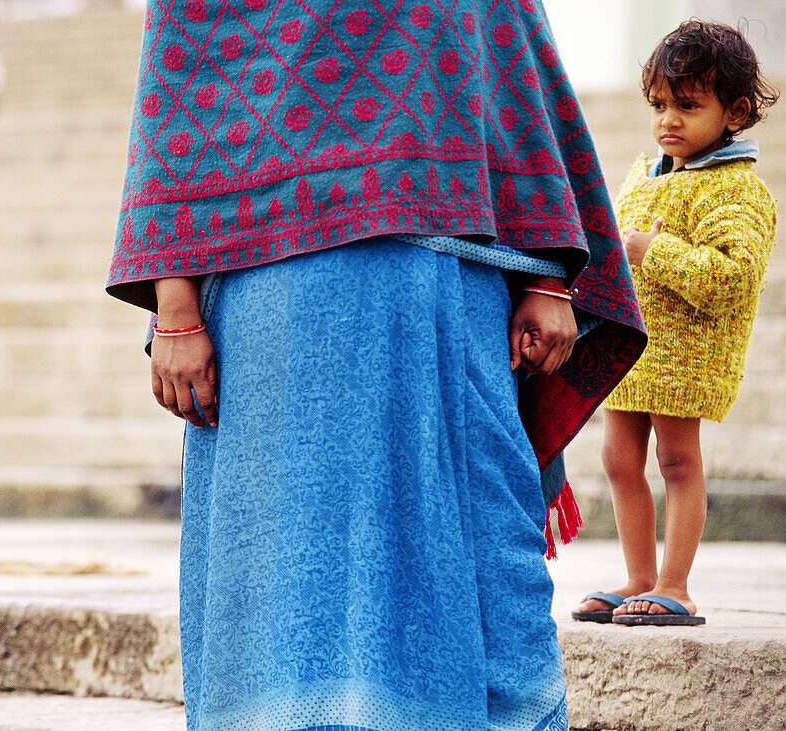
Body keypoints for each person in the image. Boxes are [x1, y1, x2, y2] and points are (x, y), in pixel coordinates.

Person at [108, 3, 646, 729]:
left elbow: (508, 50)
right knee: (290, 587)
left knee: (487, 581)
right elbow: (180, 75)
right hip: (275, 309)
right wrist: (173, 301)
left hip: (445, 289)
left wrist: (550, 276)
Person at [573, 20, 778, 627]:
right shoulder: (649, 172)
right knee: (617, 460)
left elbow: (731, 277)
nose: (669, 119)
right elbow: (619, 248)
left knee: (678, 462)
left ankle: (676, 585)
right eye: (660, 104)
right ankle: (638, 577)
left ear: (735, 114)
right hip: (633, 349)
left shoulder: (737, 191)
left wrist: (651, 252)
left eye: (689, 106)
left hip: (687, 354)